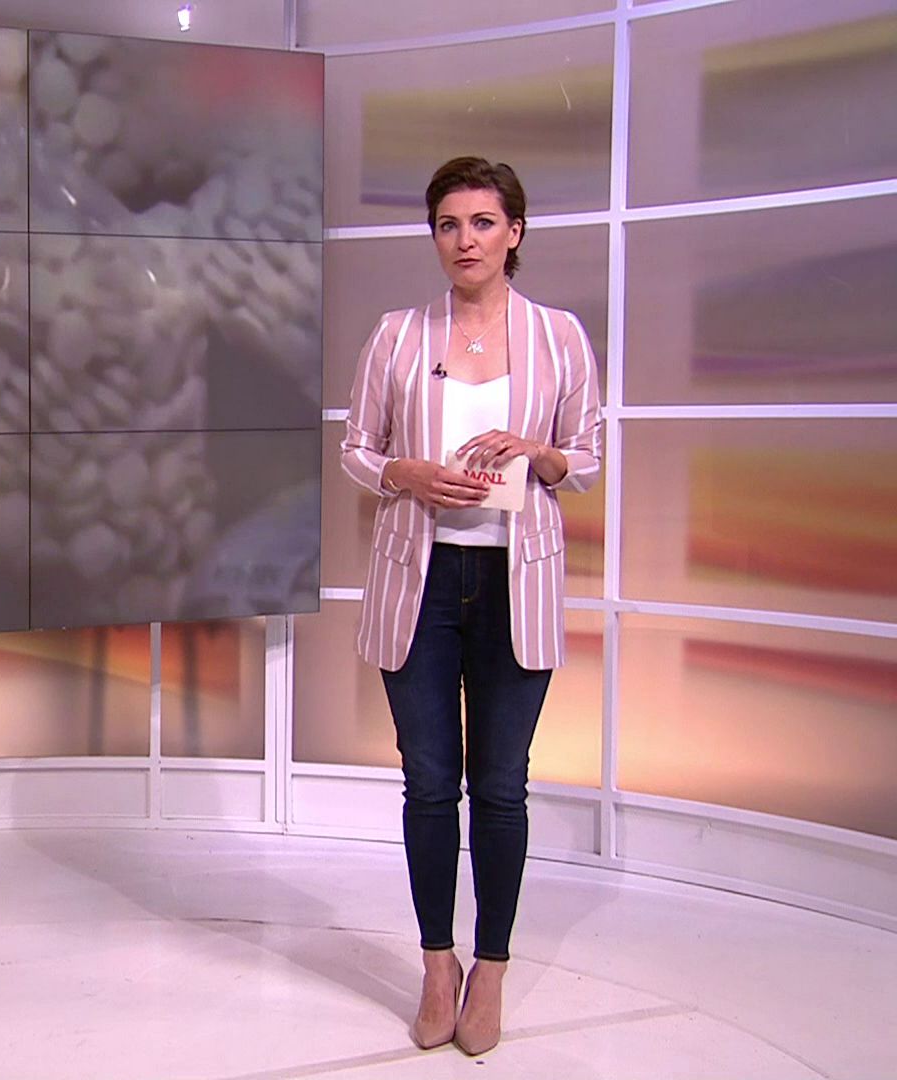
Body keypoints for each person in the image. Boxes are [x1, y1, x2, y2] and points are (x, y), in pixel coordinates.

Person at [338, 157, 602, 1056]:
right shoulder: (398, 334)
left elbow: (588, 455)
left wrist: (538, 451)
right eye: (449, 224)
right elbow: (356, 448)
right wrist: (403, 473)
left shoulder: (559, 336)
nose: (465, 240)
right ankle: (436, 963)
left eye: (483, 223)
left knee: (498, 785)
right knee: (426, 782)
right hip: (418, 582)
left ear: (513, 233)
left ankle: (491, 967)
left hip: (513, 585)